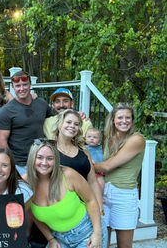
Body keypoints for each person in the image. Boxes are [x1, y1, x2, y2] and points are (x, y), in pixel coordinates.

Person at [27, 141, 107, 248]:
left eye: (50, 158)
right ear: (32, 158)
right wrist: (50, 239)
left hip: (87, 233)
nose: (44, 162)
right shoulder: (26, 183)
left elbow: (91, 200)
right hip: (59, 238)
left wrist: (97, 233)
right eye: (39, 157)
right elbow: (33, 213)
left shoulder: (67, 175)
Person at [94, 103, 145, 248]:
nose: (124, 121)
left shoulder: (137, 139)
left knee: (124, 245)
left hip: (124, 195)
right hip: (104, 193)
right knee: (103, 242)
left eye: (128, 117)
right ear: (113, 120)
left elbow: (108, 166)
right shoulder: (110, 138)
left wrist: (87, 166)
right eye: (120, 117)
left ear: (132, 119)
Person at [0, 71, 52, 175]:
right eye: (17, 86)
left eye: (25, 85)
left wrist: (76, 114)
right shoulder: (6, 110)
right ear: (13, 87)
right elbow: (2, 141)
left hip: (42, 161)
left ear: (30, 84)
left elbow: (54, 122)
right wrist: (12, 165)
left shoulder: (42, 104)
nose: (21, 89)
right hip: (20, 164)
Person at [54, 109, 103, 211]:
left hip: (85, 207)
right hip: (60, 208)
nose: (72, 126)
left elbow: (93, 182)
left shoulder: (84, 151)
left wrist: (100, 207)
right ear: (59, 124)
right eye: (68, 122)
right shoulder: (50, 149)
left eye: (76, 124)